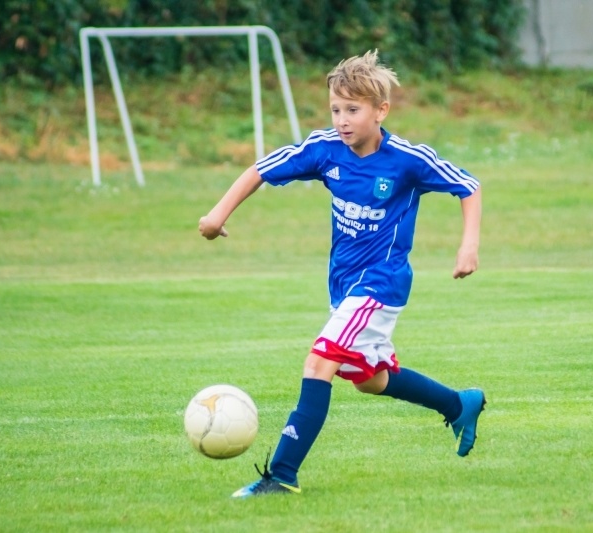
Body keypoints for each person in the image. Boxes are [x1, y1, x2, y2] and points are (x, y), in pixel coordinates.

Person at [198, 50, 485, 498]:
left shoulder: (406, 160)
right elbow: (261, 169)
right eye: (335, 109)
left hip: (382, 282)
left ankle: (282, 475)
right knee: (371, 380)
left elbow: (468, 186)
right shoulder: (324, 149)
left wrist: (468, 246)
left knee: (320, 361)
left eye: (353, 110)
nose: (342, 120)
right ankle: (458, 404)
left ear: (381, 110)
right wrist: (216, 215)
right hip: (344, 285)